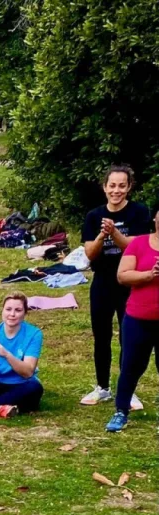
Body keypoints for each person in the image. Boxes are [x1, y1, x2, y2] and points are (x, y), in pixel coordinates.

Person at [79, 165, 151, 409]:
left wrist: (115, 233)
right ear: (104, 187)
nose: (116, 190)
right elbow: (89, 253)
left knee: (128, 338)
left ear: (129, 187)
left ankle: (127, 390)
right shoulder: (93, 215)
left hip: (129, 283)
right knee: (102, 336)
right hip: (102, 283)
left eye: (122, 185)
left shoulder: (140, 213)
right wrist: (102, 235)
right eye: (112, 185)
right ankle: (102, 387)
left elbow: (137, 246)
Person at [106, 205, 159, 433]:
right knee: (131, 366)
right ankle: (120, 411)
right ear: (155, 218)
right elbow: (122, 275)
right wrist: (150, 274)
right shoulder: (139, 243)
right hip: (138, 318)